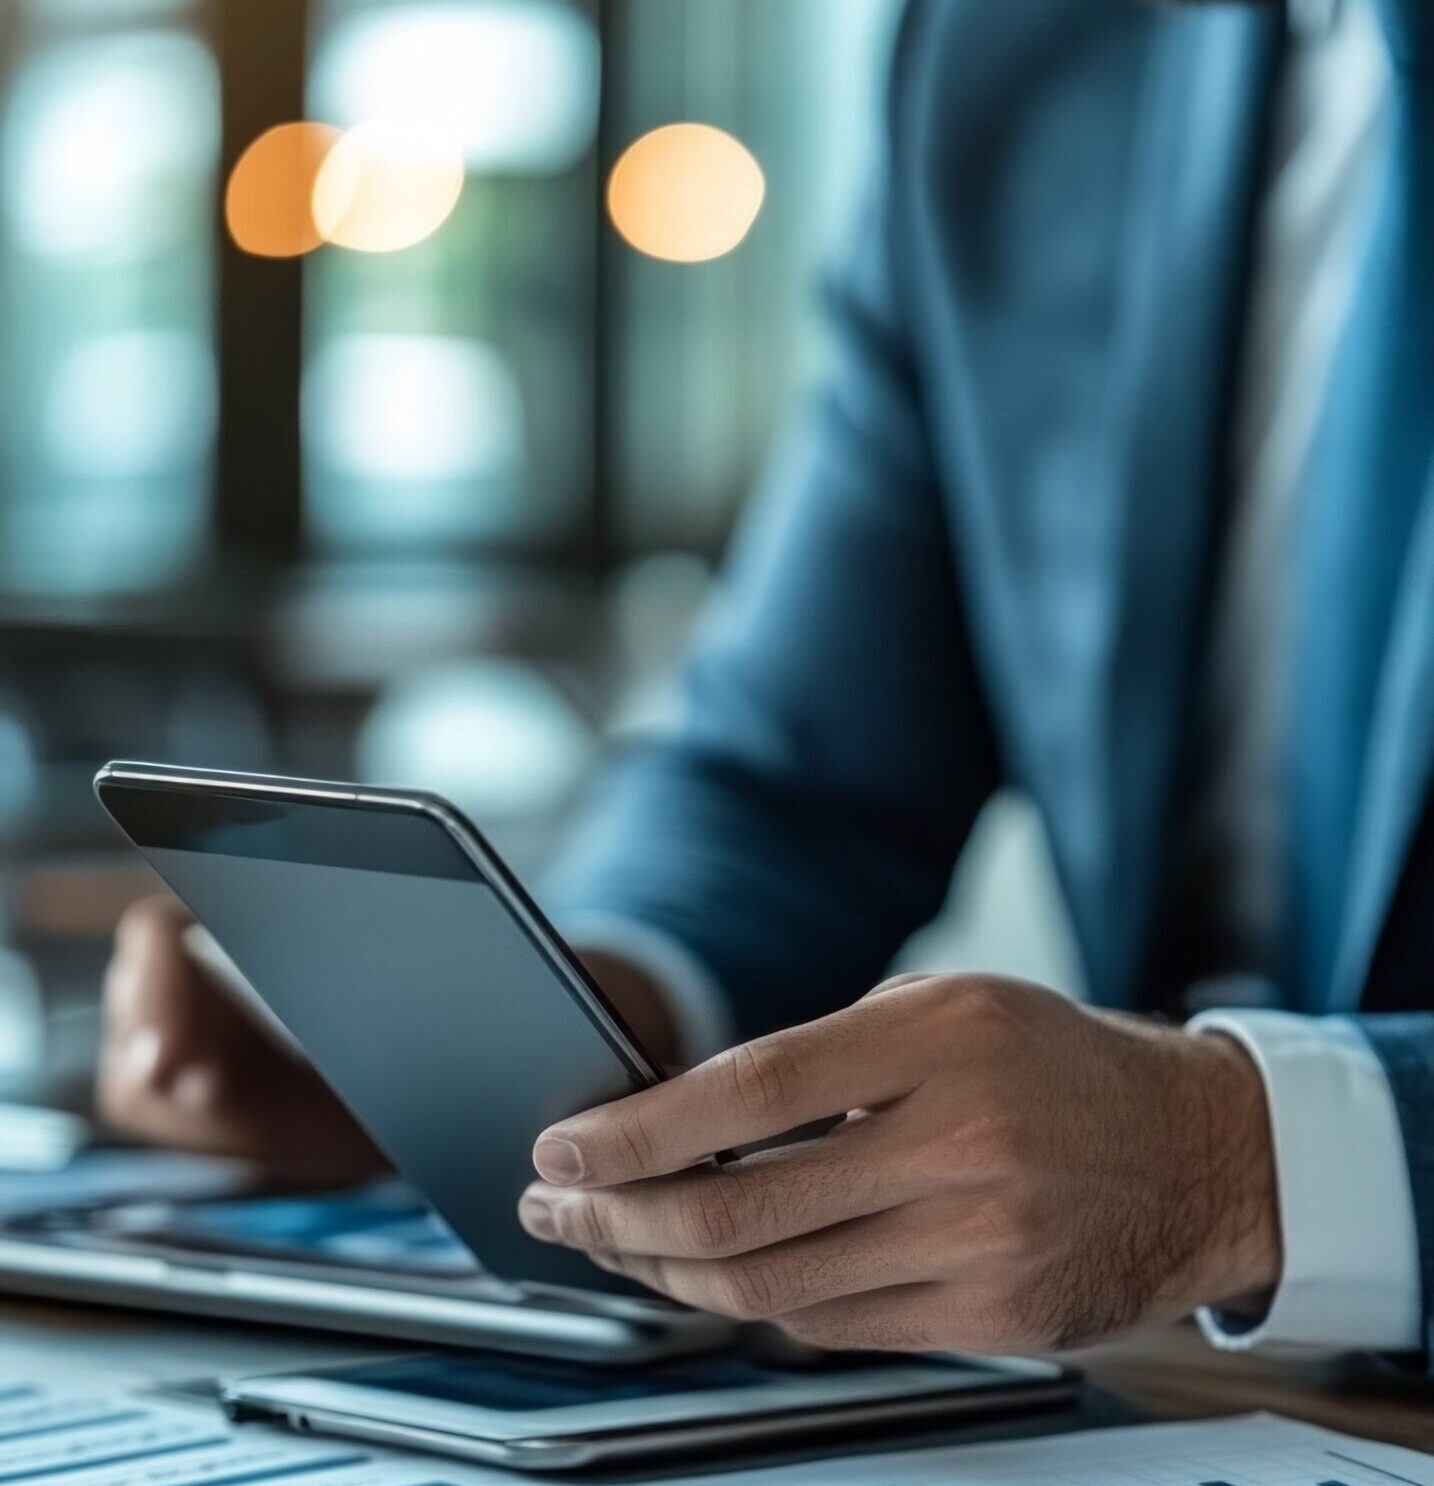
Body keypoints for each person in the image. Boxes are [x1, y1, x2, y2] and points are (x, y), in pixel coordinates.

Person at [99, 0, 1434, 1361]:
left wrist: (1245, 1163)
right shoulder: (1020, 49)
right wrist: (553, 1055)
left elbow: (1219, 1152)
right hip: (1177, 1417)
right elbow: (790, 780)